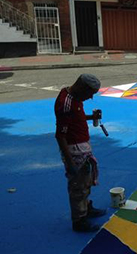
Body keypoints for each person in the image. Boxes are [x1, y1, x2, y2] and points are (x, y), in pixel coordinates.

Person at [55, 74, 106, 232]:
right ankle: (79, 220)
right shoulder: (66, 103)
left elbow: (75, 118)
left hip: (82, 148)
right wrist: (70, 163)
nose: (90, 97)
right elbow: (60, 135)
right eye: (90, 93)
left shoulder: (74, 98)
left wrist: (91, 117)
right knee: (78, 185)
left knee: (85, 181)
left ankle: (86, 208)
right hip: (75, 151)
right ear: (82, 88)